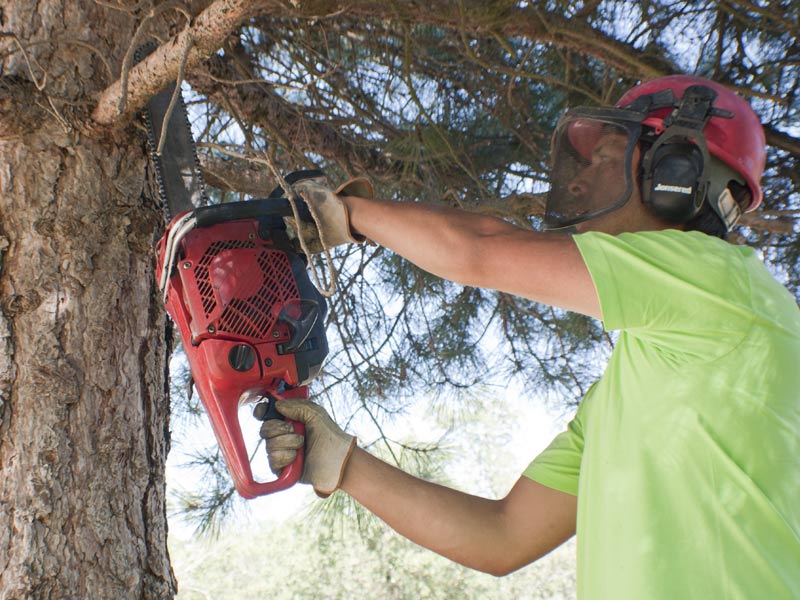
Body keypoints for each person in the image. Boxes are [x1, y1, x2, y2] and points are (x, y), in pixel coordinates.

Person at [261, 75, 800, 598]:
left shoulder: (721, 282)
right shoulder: (636, 382)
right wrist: (337, 460)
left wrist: (347, 214)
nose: (581, 182)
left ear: (675, 171)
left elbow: (479, 250)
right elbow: (502, 536)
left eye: (607, 160)